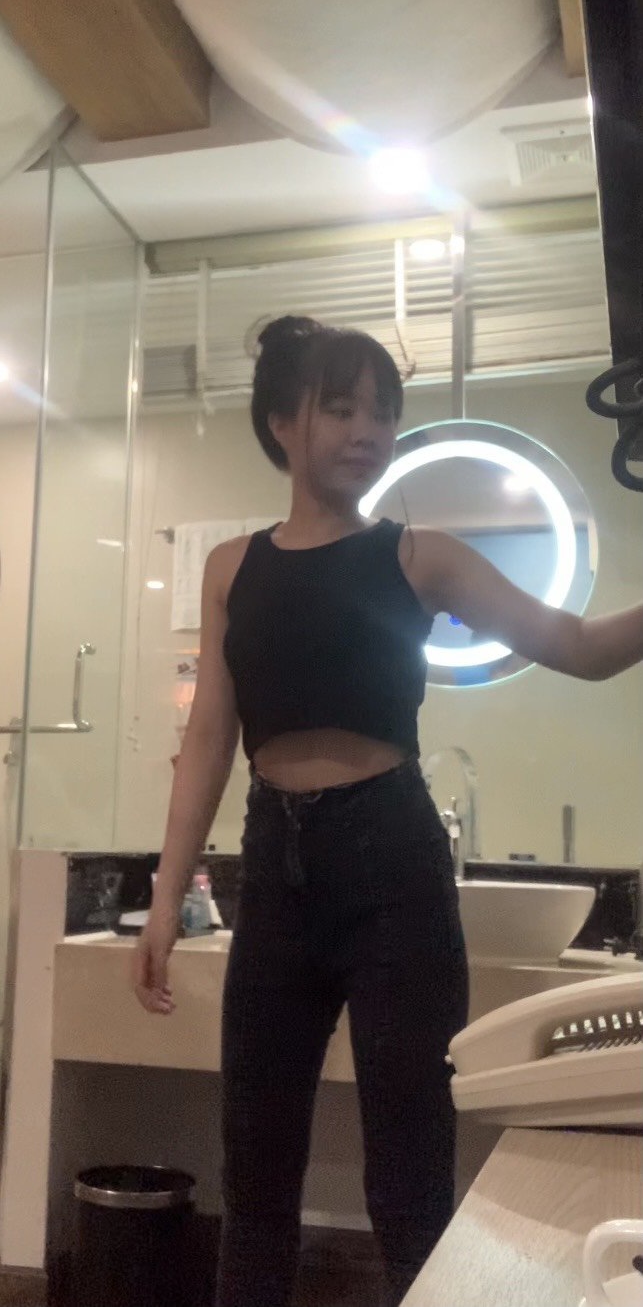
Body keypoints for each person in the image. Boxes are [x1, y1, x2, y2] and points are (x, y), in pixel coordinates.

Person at [133, 316, 643, 1307]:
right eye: (340, 408)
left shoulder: (421, 556)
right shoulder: (231, 567)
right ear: (282, 423)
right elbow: (208, 740)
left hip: (392, 871)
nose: (367, 429)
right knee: (255, 1178)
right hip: (272, 873)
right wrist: (164, 900)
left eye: (383, 411)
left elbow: (577, 646)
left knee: (407, 1183)